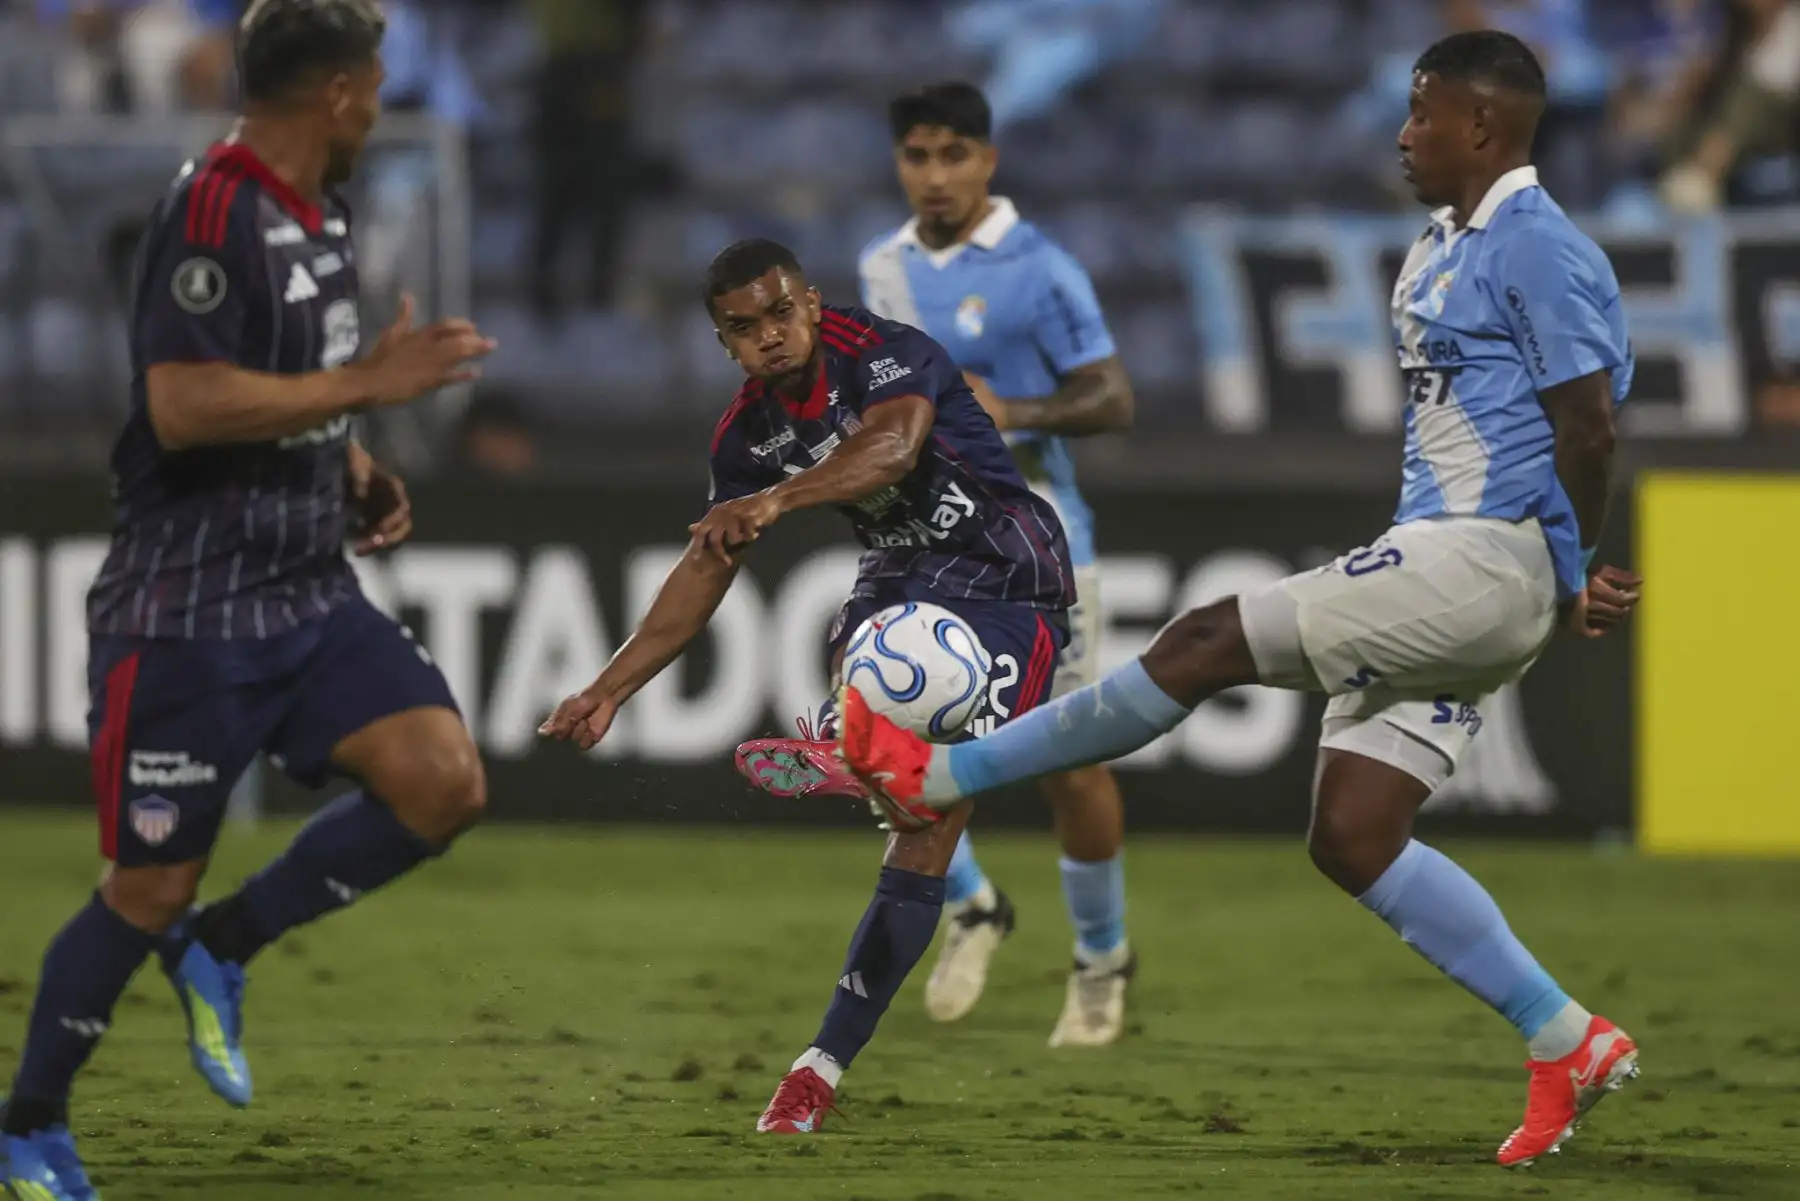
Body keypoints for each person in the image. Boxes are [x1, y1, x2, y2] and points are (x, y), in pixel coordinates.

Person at [840, 31, 1645, 1167]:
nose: (1403, 133)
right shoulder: (1438, 248)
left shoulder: (1539, 246)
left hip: (1486, 560)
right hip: (1454, 559)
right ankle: (1567, 1037)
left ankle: (938, 776)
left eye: (1421, 114)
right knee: (1355, 833)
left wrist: (1568, 566)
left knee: (1205, 638)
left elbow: (1591, 423)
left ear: (1481, 126)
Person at [1, 3, 495, 1197]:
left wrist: (353, 461)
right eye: (373, 85)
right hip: (185, 611)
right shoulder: (212, 206)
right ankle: (27, 1130)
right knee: (145, 887)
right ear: (335, 92)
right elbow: (180, 404)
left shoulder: (319, 210)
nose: (380, 106)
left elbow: (284, 387)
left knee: (442, 781)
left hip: (307, 588)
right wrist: (366, 384)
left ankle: (224, 946)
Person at [539, 238, 1074, 1135]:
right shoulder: (747, 434)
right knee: (898, 720)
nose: (770, 338)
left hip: (1008, 574)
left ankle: (859, 745)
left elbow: (896, 447)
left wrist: (777, 502)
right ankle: (813, 1073)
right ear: (725, 344)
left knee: (931, 807)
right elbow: (707, 568)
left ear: (813, 304)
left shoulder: (886, 351)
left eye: (781, 314)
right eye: (743, 330)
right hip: (901, 575)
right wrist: (610, 687)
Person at [853, 82, 1137, 1046]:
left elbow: (1110, 397)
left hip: (1046, 554)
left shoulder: (1038, 269)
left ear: (989, 160)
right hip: (933, 550)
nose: (935, 177)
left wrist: (1014, 411)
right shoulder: (878, 269)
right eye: (917, 157)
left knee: (1069, 768)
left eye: (954, 156)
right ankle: (973, 903)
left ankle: (1102, 956)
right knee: (880, 742)